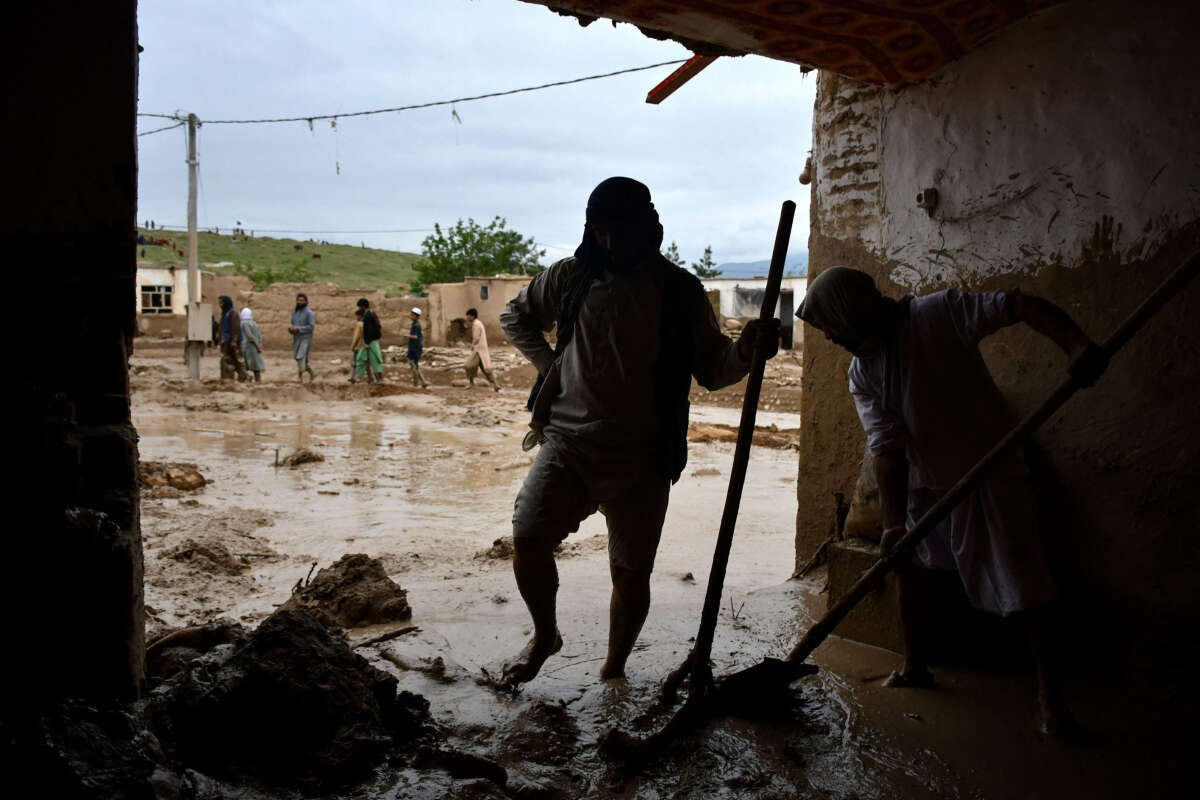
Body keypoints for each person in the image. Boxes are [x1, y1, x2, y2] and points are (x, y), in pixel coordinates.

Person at [795, 265, 1108, 737]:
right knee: (908, 566)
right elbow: (887, 444)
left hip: (990, 469)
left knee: (1024, 578)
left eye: (831, 326)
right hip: (927, 481)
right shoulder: (863, 370)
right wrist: (893, 524)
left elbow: (1018, 305)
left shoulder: (937, 314)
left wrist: (1077, 345)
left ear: (850, 310)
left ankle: (1050, 698)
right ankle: (915, 665)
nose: (832, 338)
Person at [497, 176, 779, 687]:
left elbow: (713, 370)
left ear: (650, 229)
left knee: (630, 574)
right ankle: (545, 637)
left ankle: (614, 672)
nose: (607, 243)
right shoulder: (569, 278)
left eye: (618, 231)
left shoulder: (680, 291)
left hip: (644, 456)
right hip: (567, 444)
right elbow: (515, 316)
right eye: (599, 232)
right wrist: (550, 366)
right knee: (528, 538)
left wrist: (745, 350)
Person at [464, 308, 500, 391]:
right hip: (481, 350)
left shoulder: (476, 324)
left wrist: (472, 346)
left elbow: (476, 338)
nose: (467, 318)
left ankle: (471, 383)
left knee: (468, 365)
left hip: (478, 350)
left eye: (468, 316)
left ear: (472, 316)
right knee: (485, 369)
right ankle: (496, 384)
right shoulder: (478, 323)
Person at [217, 295, 248, 382]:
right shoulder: (225, 314)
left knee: (236, 360)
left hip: (233, 342)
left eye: (221, 303)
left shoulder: (232, 313)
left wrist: (234, 340)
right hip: (226, 341)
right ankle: (228, 378)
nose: (220, 305)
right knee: (228, 360)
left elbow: (235, 327)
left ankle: (244, 376)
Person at [288, 293, 316, 382]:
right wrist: (291, 329)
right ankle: (310, 372)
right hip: (296, 339)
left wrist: (299, 329)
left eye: (302, 300)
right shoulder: (295, 313)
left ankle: (300, 378)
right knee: (298, 358)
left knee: (301, 357)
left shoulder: (309, 313)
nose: (300, 302)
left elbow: (311, 327)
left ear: (306, 302)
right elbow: (293, 324)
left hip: (305, 339)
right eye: (299, 300)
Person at [356, 298, 385, 384]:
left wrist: (368, 342)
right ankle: (368, 378)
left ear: (363, 307)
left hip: (370, 342)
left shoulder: (368, 316)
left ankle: (379, 379)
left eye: (359, 307)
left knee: (371, 360)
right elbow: (378, 326)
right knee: (366, 359)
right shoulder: (372, 313)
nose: (359, 309)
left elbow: (370, 330)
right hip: (372, 341)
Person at [240, 307, 265, 383]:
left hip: (248, 346)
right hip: (255, 346)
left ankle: (246, 378)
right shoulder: (254, 323)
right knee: (256, 365)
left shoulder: (244, 323)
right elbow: (259, 335)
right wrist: (260, 345)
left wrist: (257, 345)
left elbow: (250, 336)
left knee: (244, 364)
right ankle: (258, 380)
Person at [406, 308, 429, 388]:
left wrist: (407, 336)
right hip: (414, 347)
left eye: (412, 315)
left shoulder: (416, 325)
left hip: (414, 348)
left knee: (413, 365)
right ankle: (423, 381)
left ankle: (416, 384)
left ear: (416, 316)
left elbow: (415, 337)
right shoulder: (415, 324)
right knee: (414, 365)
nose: (411, 316)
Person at [349, 307, 365, 383]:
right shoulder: (366, 323)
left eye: (356, 316)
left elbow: (356, 337)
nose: (356, 317)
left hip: (358, 346)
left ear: (359, 316)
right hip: (364, 346)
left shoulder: (359, 324)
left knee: (354, 363)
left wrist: (352, 346)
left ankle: (353, 377)